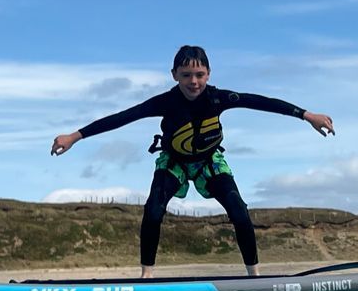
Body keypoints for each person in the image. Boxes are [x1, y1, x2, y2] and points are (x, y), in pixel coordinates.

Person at [51, 45, 334, 278]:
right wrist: (75, 136)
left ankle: (254, 277)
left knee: (239, 210)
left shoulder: (219, 98)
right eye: (186, 75)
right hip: (173, 162)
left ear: (209, 74)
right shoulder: (164, 102)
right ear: (174, 75)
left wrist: (306, 115)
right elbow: (123, 117)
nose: (194, 82)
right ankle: (146, 276)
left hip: (210, 162)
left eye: (199, 74)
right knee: (153, 211)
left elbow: (261, 101)